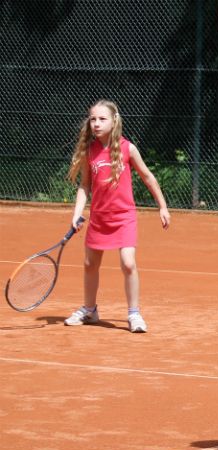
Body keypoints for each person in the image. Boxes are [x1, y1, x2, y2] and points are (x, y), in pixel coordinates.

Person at [64, 99, 170, 333]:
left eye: (102, 119)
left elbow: (148, 177)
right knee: (90, 264)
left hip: (124, 216)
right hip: (99, 218)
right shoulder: (89, 151)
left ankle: (134, 314)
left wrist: (162, 206)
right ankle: (90, 310)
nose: (96, 123)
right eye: (93, 119)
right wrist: (77, 213)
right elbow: (84, 185)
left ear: (114, 121)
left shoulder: (127, 148)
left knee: (128, 263)